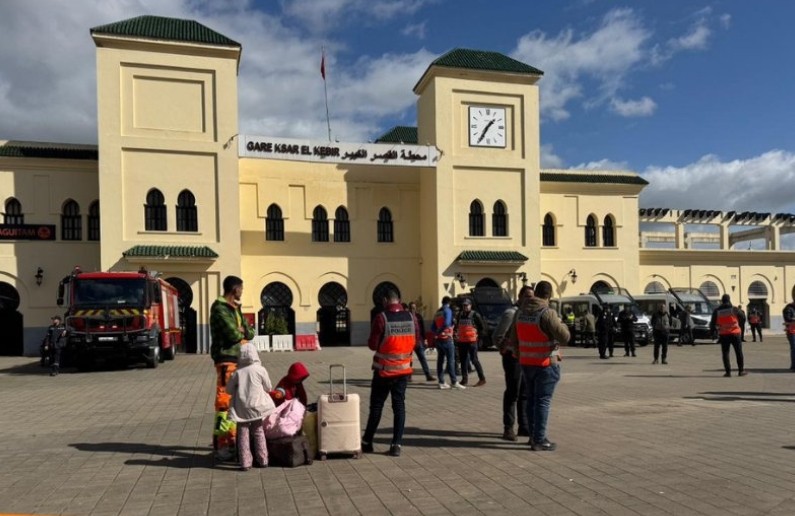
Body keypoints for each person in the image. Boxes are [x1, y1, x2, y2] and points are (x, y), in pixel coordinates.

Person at [508, 280, 569, 451]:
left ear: (535, 293)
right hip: (545, 363)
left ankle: (533, 437)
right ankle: (539, 439)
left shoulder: (519, 313)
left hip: (527, 363)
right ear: (549, 295)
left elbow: (514, 338)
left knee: (532, 400)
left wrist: (520, 355)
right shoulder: (547, 313)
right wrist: (561, 323)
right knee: (542, 401)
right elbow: (565, 337)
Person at [361, 288, 416, 457]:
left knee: (377, 407)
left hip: (383, 372)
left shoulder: (381, 318)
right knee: (399, 407)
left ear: (385, 300)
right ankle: (396, 445)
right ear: (399, 300)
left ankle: (367, 442)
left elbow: (372, 345)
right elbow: (417, 341)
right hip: (403, 371)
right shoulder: (411, 317)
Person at [210, 275, 255, 460]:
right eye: (241, 288)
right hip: (226, 360)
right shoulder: (220, 308)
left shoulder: (236, 308)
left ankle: (233, 441)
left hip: (239, 360)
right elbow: (233, 335)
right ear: (235, 289)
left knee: (237, 403)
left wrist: (243, 331)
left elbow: (250, 332)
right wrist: (241, 332)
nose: (242, 291)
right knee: (224, 403)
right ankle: (222, 443)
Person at [226, 344, 275, 471]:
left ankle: (245, 462)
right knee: (258, 431)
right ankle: (263, 459)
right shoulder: (260, 369)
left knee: (243, 433)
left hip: (242, 408)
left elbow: (228, 390)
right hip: (257, 407)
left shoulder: (237, 373)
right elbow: (268, 387)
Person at [494, 285, 532, 441]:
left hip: (525, 358)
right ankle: (508, 428)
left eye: (532, 296)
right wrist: (504, 349)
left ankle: (524, 426)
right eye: (528, 296)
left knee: (524, 393)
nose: (530, 299)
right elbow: (497, 336)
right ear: (520, 297)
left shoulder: (527, 314)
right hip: (512, 358)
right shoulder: (511, 313)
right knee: (512, 392)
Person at [431, 296, 464, 390]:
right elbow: (447, 323)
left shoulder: (437, 313)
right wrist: (441, 331)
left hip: (439, 340)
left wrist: (436, 333)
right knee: (451, 360)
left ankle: (441, 382)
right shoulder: (448, 310)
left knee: (440, 361)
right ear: (449, 303)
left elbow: (432, 327)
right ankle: (454, 381)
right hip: (447, 339)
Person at [710, 294, 746, 377]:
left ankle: (728, 372)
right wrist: (739, 324)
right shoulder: (734, 309)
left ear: (722, 301)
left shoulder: (717, 311)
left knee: (725, 353)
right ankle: (741, 371)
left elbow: (712, 323)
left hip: (724, 334)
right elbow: (743, 317)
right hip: (735, 333)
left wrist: (712, 333)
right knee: (738, 352)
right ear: (729, 300)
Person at [454, 298, 487, 386]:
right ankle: (464, 380)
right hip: (462, 342)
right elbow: (456, 327)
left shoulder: (475, 315)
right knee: (463, 361)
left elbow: (482, 328)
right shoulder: (460, 315)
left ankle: (482, 378)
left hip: (472, 342)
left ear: (470, 306)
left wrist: (480, 340)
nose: (465, 307)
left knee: (474, 360)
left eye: (466, 305)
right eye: (464, 305)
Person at [409, 301, 435, 382]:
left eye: (414, 307)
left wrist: (425, 339)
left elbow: (422, 328)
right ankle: (408, 376)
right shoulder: (407, 316)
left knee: (422, 358)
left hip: (418, 340)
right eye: (411, 308)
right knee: (409, 360)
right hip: (409, 341)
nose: (413, 309)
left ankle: (428, 375)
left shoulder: (418, 316)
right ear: (409, 308)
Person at [783, 294, 795, 371]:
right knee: (794, 348)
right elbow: (788, 319)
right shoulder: (788, 308)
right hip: (792, 331)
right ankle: (793, 366)